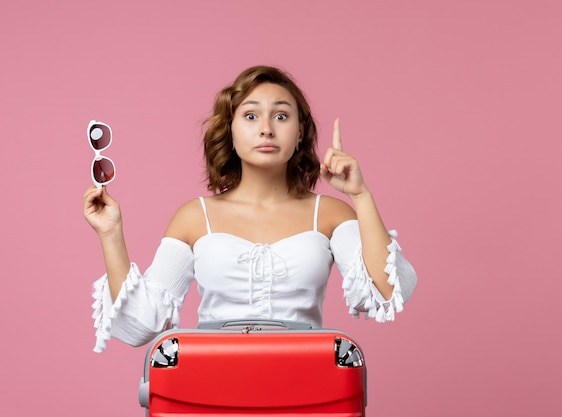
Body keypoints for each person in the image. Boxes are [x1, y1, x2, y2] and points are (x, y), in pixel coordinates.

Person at [84, 65, 417, 353]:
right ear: (230, 130)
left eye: (282, 116)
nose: (267, 128)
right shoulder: (194, 216)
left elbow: (387, 292)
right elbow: (143, 324)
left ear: (300, 132)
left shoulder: (331, 214)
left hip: (307, 387)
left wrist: (361, 197)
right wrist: (111, 235)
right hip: (211, 390)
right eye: (251, 115)